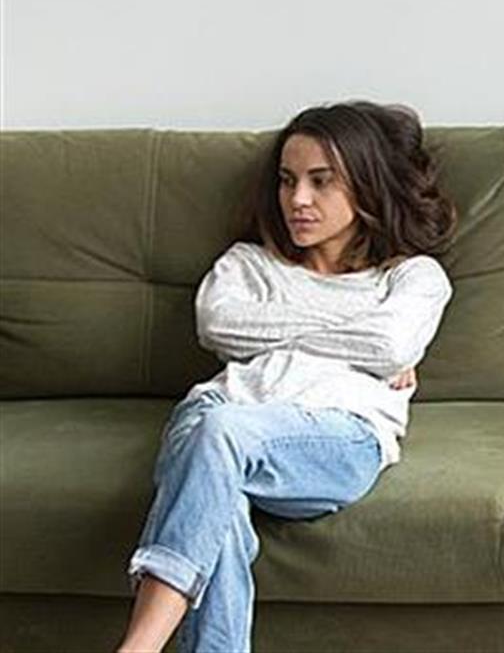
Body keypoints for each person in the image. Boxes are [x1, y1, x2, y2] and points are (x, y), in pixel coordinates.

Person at [117, 101, 457, 653]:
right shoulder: (248, 263)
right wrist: (354, 333)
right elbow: (218, 325)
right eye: (287, 180)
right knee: (219, 502)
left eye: (321, 181)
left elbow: (388, 344)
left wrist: (274, 330)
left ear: (366, 186)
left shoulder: (412, 278)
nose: (297, 199)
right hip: (215, 411)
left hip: (337, 433)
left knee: (221, 435)